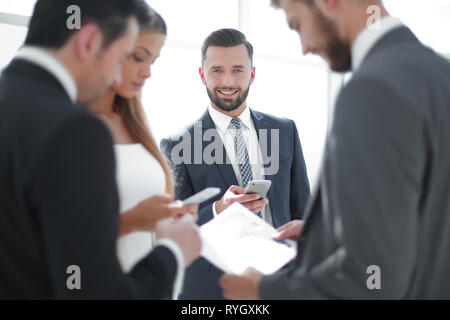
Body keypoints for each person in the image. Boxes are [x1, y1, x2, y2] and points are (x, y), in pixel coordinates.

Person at [220, 0, 450, 299]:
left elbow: (373, 278)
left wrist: (264, 290)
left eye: (298, 25)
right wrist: (325, 237)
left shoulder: (371, 89)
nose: (304, 47)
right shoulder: (440, 74)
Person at [0, 0, 200, 299]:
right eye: (123, 56)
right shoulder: (76, 131)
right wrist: (172, 253)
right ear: (90, 41)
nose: (115, 76)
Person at [160, 28, 311, 300]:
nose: (227, 81)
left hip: (278, 283)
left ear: (252, 74)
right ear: (202, 74)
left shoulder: (285, 130)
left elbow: (303, 209)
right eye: (217, 70)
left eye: (238, 70)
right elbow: (171, 227)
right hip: (212, 290)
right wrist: (218, 210)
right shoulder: (176, 143)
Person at [93, 5, 198, 275]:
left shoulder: (133, 123)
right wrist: (132, 221)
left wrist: (170, 218)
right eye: (138, 57)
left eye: (153, 61)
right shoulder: (73, 125)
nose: (148, 72)